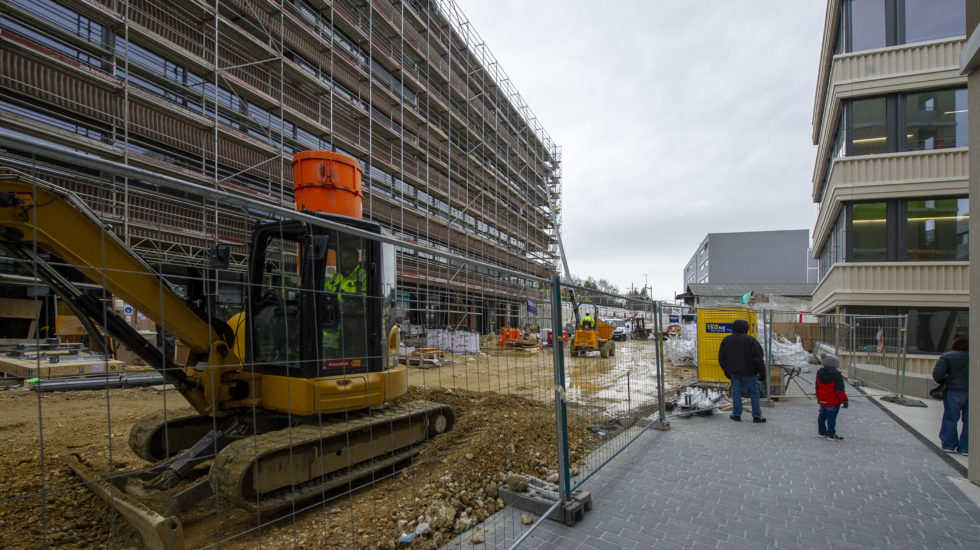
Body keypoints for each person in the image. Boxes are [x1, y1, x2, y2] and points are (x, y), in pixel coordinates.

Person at [718, 319, 766, 423]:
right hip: (750, 373)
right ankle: (757, 416)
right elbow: (758, 358)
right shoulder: (751, 341)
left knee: (736, 392)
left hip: (734, 372)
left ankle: (736, 414)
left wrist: (726, 371)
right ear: (746, 328)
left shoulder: (726, 340)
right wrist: (762, 373)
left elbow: (721, 358)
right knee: (754, 393)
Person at [322, 244, 366, 356]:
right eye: (342, 258)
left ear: (356, 259)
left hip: (354, 324)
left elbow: (367, 300)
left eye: (347, 258)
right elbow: (326, 290)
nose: (344, 261)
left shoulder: (363, 276)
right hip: (335, 322)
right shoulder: (337, 276)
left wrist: (354, 301)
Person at [933, 332, 968, 455]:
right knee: (970, 420)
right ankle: (966, 447)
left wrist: (946, 381)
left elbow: (937, 375)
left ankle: (948, 444)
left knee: (950, 417)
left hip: (953, 391)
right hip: (972, 392)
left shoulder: (947, 356)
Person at [815, 353, 849, 442]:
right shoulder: (837, 375)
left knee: (822, 415)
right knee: (831, 418)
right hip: (833, 401)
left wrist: (819, 398)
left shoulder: (819, 373)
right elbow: (839, 390)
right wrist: (845, 401)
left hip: (822, 399)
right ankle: (831, 434)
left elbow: (817, 387)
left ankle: (821, 432)